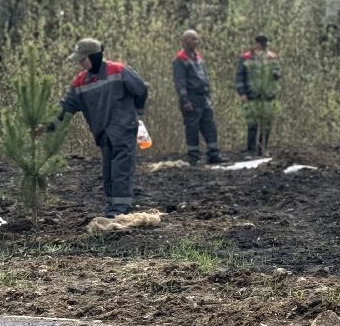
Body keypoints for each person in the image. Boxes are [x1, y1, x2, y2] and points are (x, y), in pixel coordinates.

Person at [51, 38, 149, 217]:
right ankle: (112, 206)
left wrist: (138, 111)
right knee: (108, 172)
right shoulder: (80, 82)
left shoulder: (118, 70)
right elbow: (67, 108)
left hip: (124, 129)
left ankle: (120, 209)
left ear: (95, 56)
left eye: (83, 58)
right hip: (103, 133)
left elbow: (141, 89)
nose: (80, 63)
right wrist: (50, 125)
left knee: (121, 169)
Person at [172, 29, 223, 164]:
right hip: (191, 98)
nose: (196, 41)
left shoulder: (198, 57)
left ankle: (214, 154)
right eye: (193, 39)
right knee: (192, 127)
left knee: (209, 125)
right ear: (184, 41)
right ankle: (194, 157)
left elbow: (204, 76)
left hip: (203, 97)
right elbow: (180, 82)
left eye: (197, 39)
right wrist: (185, 101)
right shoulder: (180, 59)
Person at [235, 33, 282, 156]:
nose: (264, 46)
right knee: (252, 124)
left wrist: (277, 74)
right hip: (252, 95)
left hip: (268, 97)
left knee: (267, 125)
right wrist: (242, 93)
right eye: (261, 44)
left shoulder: (272, 57)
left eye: (265, 44)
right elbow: (240, 76)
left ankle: (263, 149)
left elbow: (278, 70)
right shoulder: (246, 57)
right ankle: (251, 150)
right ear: (256, 44)